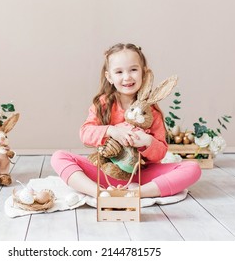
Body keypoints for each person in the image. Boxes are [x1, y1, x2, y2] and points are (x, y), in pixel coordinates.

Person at [51, 43, 201, 198]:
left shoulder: (151, 111)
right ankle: (98, 193)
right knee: (59, 157)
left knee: (192, 168)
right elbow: (85, 133)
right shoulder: (103, 104)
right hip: (106, 171)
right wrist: (112, 131)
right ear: (109, 77)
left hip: (143, 175)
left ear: (144, 73)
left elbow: (161, 152)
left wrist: (147, 141)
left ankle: (137, 193)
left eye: (133, 70)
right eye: (119, 72)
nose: (127, 77)